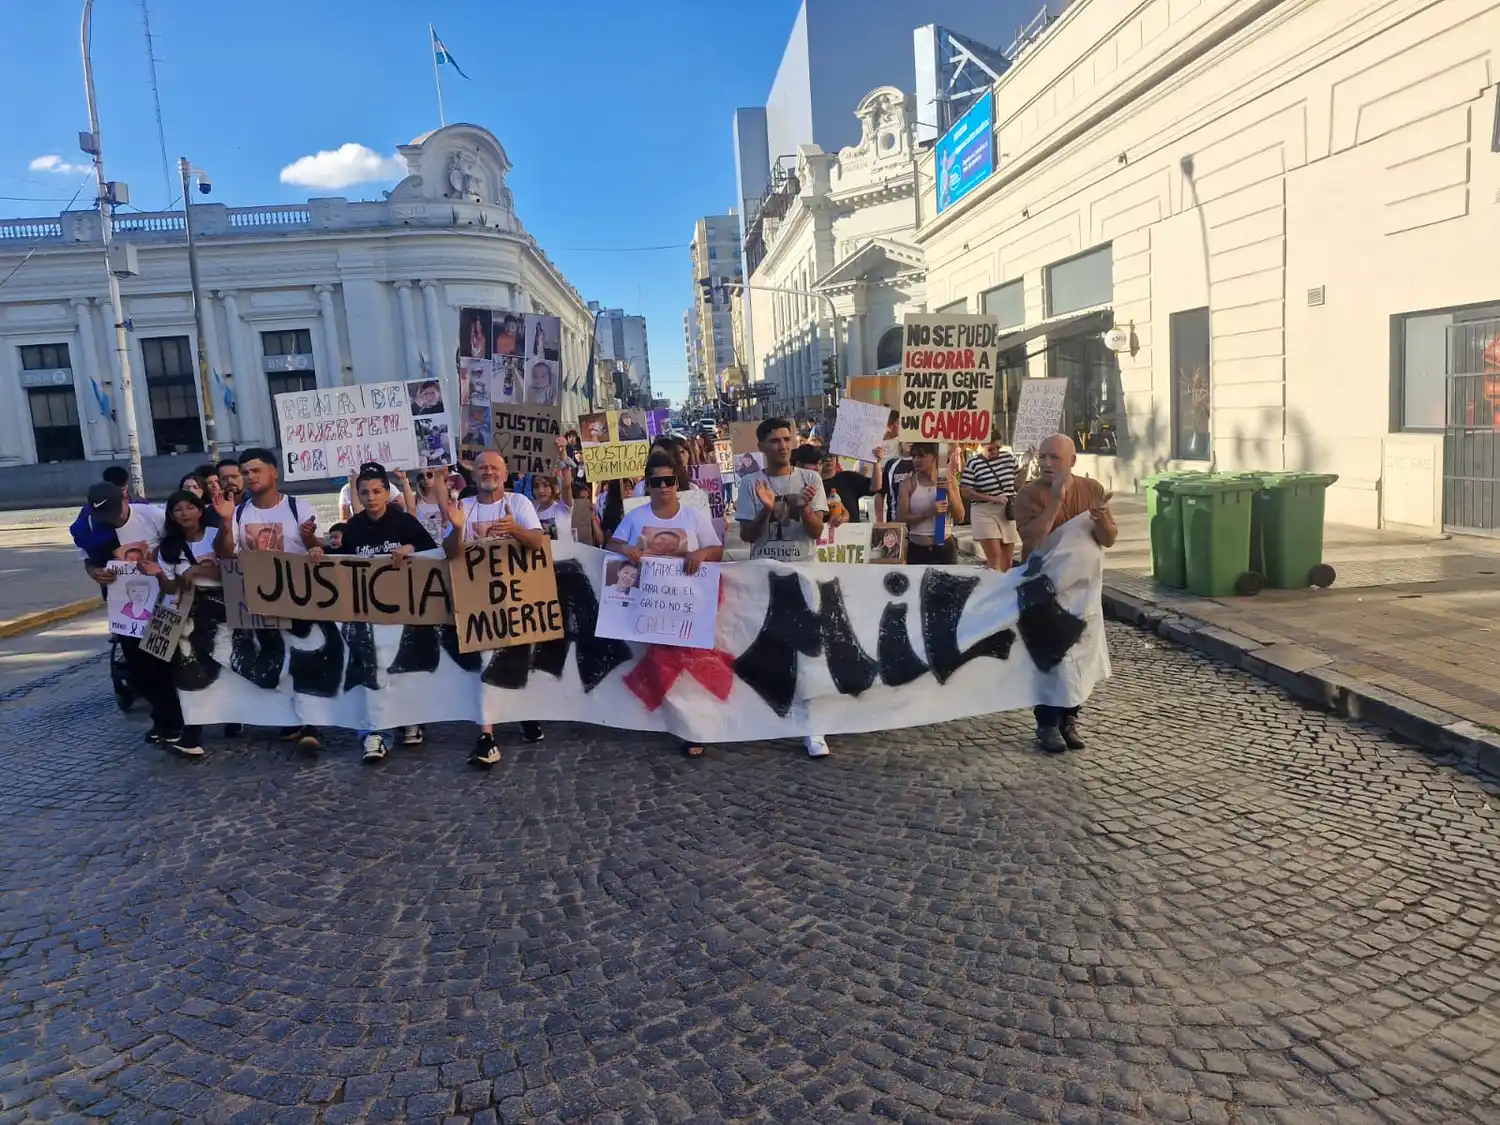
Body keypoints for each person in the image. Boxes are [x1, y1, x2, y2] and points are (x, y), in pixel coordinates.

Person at [608, 451, 724, 759]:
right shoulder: (635, 517)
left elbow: (716, 549)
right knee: (658, 663)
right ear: (648, 485)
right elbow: (612, 545)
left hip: (685, 607)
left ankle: (690, 727)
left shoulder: (693, 518)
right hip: (647, 606)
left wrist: (701, 555)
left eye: (668, 480)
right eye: (656, 481)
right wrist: (627, 548)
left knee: (685, 668)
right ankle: (661, 717)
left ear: (677, 483)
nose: (663, 487)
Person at [212, 447, 325, 753]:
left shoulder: (297, 507)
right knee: (276, 658)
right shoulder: (238, 513)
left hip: (299, 597)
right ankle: (289, 717)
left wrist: (311, 540)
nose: (250, 477)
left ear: (274, 472)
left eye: (256, 471)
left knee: (304, 657)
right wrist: (224, 523)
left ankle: (311, 723)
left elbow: (319, 550)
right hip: (257, 601)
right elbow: (224, 554)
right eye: (245, 472)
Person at [441, 450, 549, 766]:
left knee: (518, 659)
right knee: (484, 661)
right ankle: (486, 735)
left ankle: (524, 713)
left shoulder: (519, 504)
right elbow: (450, 553)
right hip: (477, 600)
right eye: (482, 468)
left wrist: (514, 530)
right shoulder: (465, 506)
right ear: (473, 475)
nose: (488, 472)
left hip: (516, 596)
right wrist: (459, 528)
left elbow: (537, 541)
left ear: (505, 474)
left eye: (494, 467)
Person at [1012, 433, 1118, 754]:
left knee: (1080, 656)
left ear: (1072, 461)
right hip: (1044, 590)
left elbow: (1108, 539)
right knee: (1051, 657)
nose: (1046, 463)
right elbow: (1031, 541)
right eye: (1042, 457)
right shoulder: (1028, 494)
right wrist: (1056, 500)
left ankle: (1070, 720)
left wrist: (1101, 521)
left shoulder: (1092, 490)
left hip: (1083, 593)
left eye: (1054, 458)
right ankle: (1046, 724)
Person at [735, 417, 832, 758]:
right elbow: (747, 535)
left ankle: (813, 727)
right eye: (775, 440)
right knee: (768, 647)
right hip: (764, 574)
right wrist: (764, 512)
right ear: (761, 446)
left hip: (803, 571)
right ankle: (768, 715)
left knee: (808, 652)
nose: (783, 446)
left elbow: (817, 531)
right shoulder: (750, 483)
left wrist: (804, 508)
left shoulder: (810, 479)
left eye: (787, 439)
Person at [332, 462, 440, 762]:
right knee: (372, 669)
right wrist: (318, 551)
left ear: (386, 491)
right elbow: (339, 563)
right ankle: (375, 732)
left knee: (402, 666)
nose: (370, 497)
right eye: (364, 492)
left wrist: (410, 548)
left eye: (377, 491)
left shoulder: (404, 522)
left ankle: (410, 718)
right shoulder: (352, 527)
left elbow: (433, 554)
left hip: (404, 609)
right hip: (367, 612)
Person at [79, 482, 182, 744]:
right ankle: (162, 717)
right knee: (139, 667)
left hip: (161, 600)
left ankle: (175, 721)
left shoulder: (151, 516)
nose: (112, 519)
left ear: (125, 498)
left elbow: (178, 544)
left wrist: (161, 561)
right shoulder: (91, 526)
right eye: (106, 516)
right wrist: (94, 572)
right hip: (125, 607)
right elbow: (87, 560)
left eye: (115, 512)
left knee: (163, 662)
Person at [151, 488, 239, 756]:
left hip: (222, 614)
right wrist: (157, 573)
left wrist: (199, 568)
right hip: (186, 620)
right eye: (177, 509)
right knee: (188, 672)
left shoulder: (216, 537)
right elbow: (168, 588)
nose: (184, 513)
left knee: (227, 666)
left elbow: (232, 570)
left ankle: (234, 716)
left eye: (189, 507)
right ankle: (192, 734)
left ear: (200, 510)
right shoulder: (167, 548)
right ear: (171, 516)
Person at [961, 432, 1021, 572]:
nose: (995, 452)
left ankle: (1004, 588)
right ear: (982, 446)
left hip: (1006, 510)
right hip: (984, 510)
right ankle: (994, 588)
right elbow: (966, 491)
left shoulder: (1007, 457)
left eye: (997, 448)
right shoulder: (974, 463)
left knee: (1007, 561)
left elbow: (1019, 483)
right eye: (991, 449)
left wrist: (1026, 464)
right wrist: (993, 498)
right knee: (995, 559)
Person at [898, 443, 966, 565]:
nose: (916, 460)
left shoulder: (949, 481)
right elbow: (902, 518)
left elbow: (960, 517)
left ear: (934, 457)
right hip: (917, 547)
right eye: (914, 457)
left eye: (921, 456)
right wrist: (927, 513)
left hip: (944, 546)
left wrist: (949, 492)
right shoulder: (908, 484)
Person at [872, 411, 912, 523]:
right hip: (894, 522)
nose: (910, 442)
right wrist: (879, 521)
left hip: (918, 524)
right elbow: (880, 492)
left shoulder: (923, 463)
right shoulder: (891, 465)